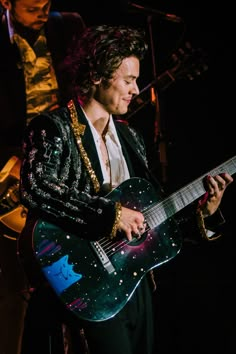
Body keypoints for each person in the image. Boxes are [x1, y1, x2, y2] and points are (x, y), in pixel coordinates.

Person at [18, 24, 234, 354]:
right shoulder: (54, 126)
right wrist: (111, 214)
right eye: (128, 79)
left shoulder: (131, 138)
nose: (136, 89)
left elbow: (150, 223)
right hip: (86, 282)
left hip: (133, 283)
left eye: (136, 79)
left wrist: (204, 214)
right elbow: (36, 188)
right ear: (96, 76)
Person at [0, 1, 85, 353]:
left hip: (64, 174)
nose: (42, 10)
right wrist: (9, 165)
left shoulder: (67, 28)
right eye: (33, 5)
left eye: (47, 3)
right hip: (11, 176)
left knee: (74, 282)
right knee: (14, 291)